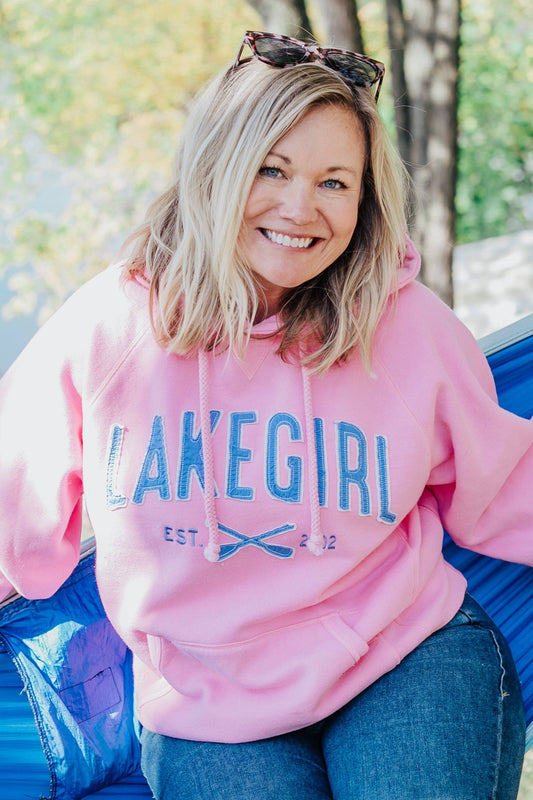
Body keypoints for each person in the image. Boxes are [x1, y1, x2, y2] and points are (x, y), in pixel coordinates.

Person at [0, 29, 532, 800]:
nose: (299, 207)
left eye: (333, 182)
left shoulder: (406, 329)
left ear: (364, 199)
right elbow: (16, 501)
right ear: (218, 169)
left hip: (405, 657)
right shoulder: (112, 324)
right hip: (203, 701)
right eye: (271, 169)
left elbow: (504, 488)